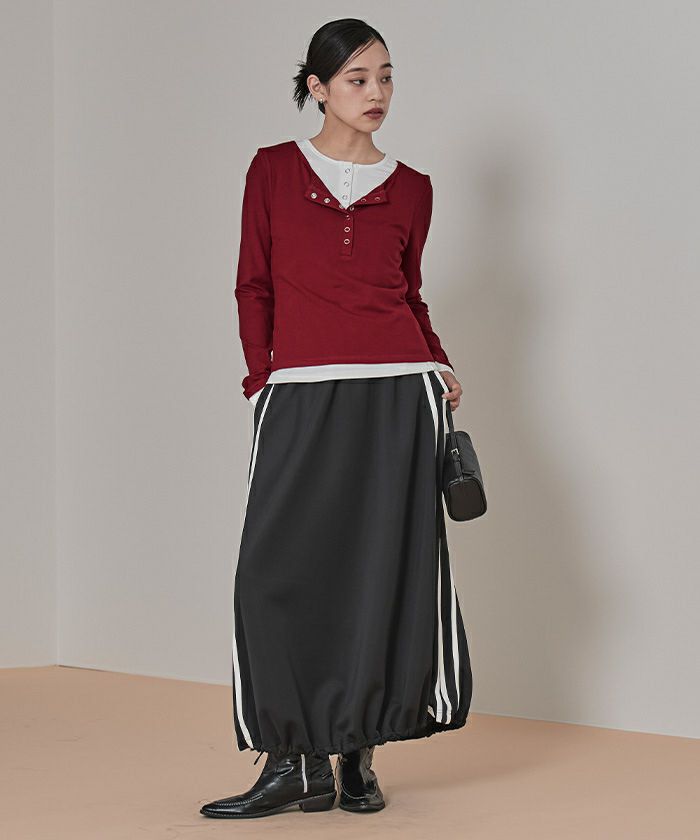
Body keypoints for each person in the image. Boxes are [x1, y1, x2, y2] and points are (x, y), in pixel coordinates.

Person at [200, 17, 472, 820]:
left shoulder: (413, 187)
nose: (376, 92)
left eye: (385, 76)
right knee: (274, 570)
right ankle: (294, 762)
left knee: (377, 570)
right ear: (317, 87)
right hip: (302, 389)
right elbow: (254, 284)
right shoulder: (273, 170)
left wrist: (436, 362)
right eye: (357, 78)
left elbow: (407, 293)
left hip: (398, 391)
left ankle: (356, 758)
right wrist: (264, 381)